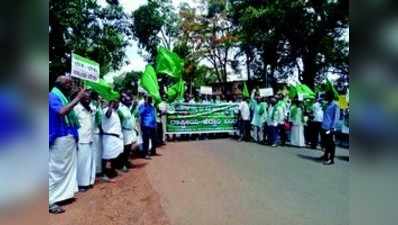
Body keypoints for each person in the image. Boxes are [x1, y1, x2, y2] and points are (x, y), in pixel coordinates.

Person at [49, 76, 85, 214]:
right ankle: (50, 201)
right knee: (56, 171)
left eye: (71, 82)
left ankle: (63, 196)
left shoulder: (65, 97)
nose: (71, 84)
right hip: (59, 138)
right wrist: (77, 98)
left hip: (68, 138)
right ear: (59, 84)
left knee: (65, 170)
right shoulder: (51, 96)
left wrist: (77, 94)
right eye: (68, 82)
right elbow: (61, 112)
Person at [74, 90, 96, 192]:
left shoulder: (90, 109)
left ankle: (88, 182)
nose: (88, 99)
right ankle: (81, 184)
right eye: (85, 97)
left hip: (90, 138)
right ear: (81, 98)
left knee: (89, 162)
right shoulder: (76, 109)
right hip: (81, 139)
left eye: (89, 98)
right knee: (82, 163)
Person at [101, 100, 124, 179]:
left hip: (116, 137)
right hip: (109, 137)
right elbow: (107, 115)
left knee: (116, 154)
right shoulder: (105, 110)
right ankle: (103, 174)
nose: (118, 104)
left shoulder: (115, 112)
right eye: (116, 103)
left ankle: (112, 171)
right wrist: (110, 105)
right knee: (106, 156)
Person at [117, 92, 137, 172]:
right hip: (124, 131)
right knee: (125, 149)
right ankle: (122, 165)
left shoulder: (127, 108)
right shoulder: (120, 108)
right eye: (128, 100)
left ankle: (126, 162)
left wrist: (134, 107)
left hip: (130, 131)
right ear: (123, 100)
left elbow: (129, 116)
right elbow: (122, 119)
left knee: (128, 149)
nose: (130, 102)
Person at [320, 92, 340, 165]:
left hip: (330, 128)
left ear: (330, 97)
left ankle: (331, 159)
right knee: (325, 143)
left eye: (326, 96)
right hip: (324, 126)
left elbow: (336, 117)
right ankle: (325, 156)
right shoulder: (326, 104)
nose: (324, 98)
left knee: (331, 143)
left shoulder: (335, 105)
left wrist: (332, 127)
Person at [90, 91, 104, 177]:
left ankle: (95, 170)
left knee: (96, 152)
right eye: (98, 96)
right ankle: (97, 171)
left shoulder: (95, 105)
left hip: (94, 132)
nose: (99, 98)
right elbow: (99, 120)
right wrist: (102, 130)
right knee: (97, 152)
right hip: (95, 133)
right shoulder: (95, 106)